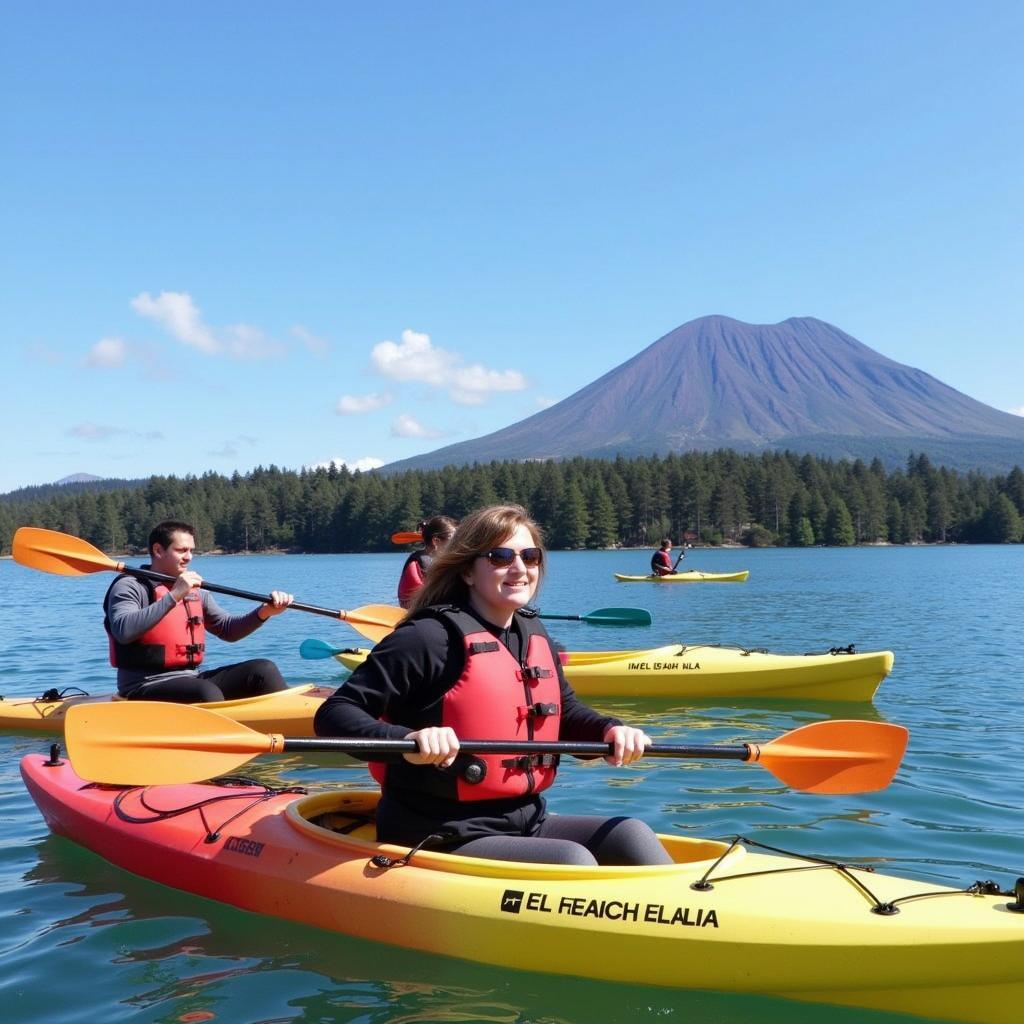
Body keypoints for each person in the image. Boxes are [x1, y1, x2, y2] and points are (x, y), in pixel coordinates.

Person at [315, 504, 673, 867]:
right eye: (501, 556)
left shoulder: (533, 634)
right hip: (437, 830)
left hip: (527, 821)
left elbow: (565, 713)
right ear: (468, 570)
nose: (520, 568)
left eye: (530, 557)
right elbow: (334, 715)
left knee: (630, 834)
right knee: (571, 860)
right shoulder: (426, 637)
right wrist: (406, 741)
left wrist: (610, 730)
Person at [104, 519, 295, 703]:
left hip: (191, 678)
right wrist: (176, 594)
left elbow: (227, 629)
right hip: (143, 685)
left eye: (191, 550)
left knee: (264, 670)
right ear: (158, 550)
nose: (189, 557)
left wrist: (264, 612)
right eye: (181, 550)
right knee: (206, 692)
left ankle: (292, 722)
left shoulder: (195, 591)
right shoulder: (131, 586)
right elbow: (124, 630)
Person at [396, 515, 457, 608]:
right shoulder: (420, 565)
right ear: (436, 541)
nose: (457, 546)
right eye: (453, 542)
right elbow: (412, 604)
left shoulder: (437, 562)